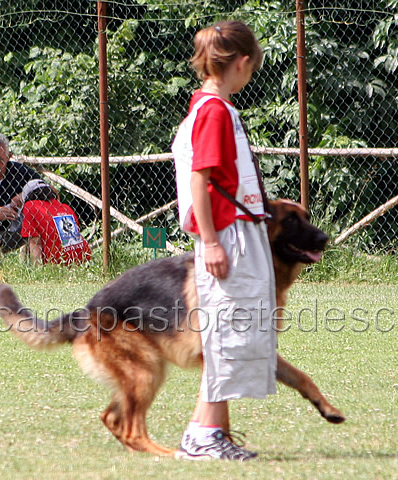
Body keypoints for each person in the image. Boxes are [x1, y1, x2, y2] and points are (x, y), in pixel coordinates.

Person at [171, 20, 275, 461]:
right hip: (227, 237)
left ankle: (209, 431)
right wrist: (211, 242)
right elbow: (201, 178)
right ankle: (201, 437)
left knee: (233, 331)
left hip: (233, 233)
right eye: (253, 66)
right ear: (243, 62)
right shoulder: (213, 111)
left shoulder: (211, 106)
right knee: (228, 332)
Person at [19, 179, 91, 265]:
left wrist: (38, 271)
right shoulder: (66, 207)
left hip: (55, 261)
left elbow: (35, 242)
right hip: (81, 258)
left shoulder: (30, 206)